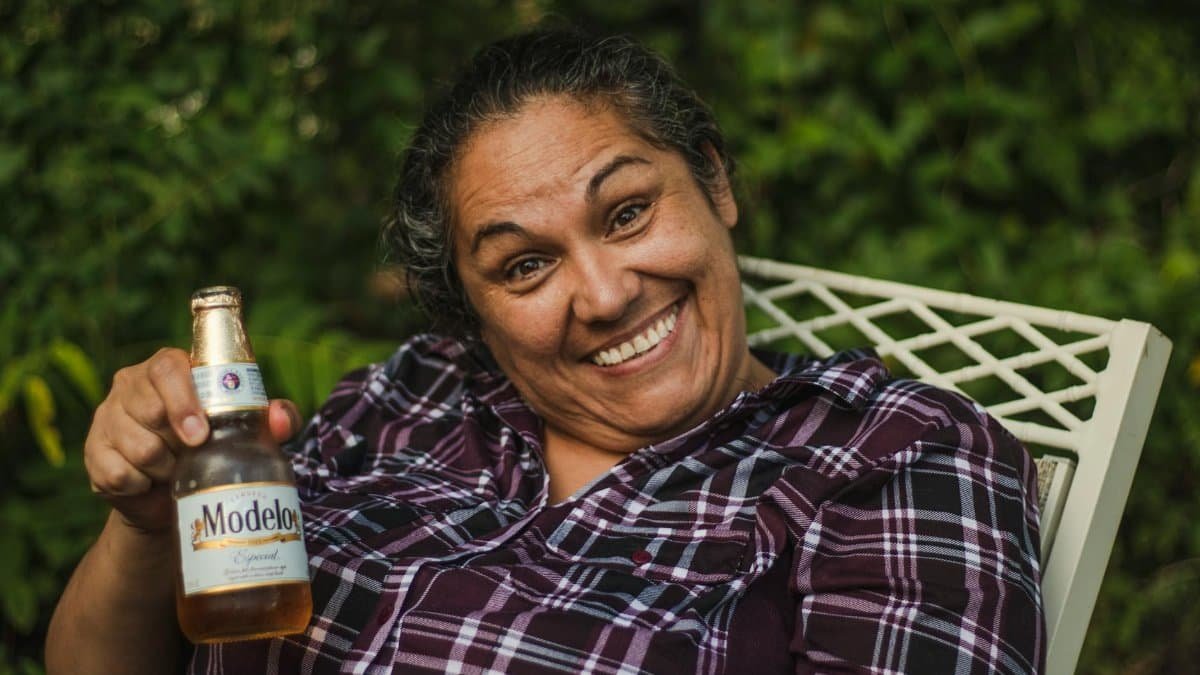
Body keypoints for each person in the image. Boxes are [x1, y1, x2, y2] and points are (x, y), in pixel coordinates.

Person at [46, 28, 1046, 674]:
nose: (605, 295)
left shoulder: (887, 454)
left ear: (716, 185)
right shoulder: (407, 398)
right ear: (469, 313)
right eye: (524, 267)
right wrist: (144, 528)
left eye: (628, 211)